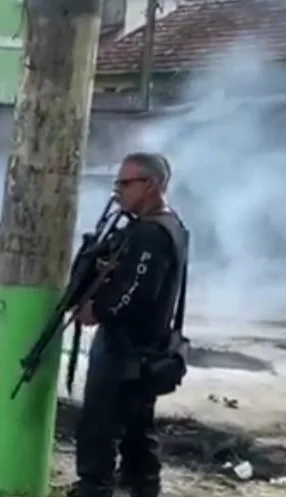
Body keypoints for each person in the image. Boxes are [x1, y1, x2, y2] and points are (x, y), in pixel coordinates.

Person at [70, 153, 189, 497]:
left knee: (99, 428)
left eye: (124, 183)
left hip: (127, 348)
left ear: (150, 185)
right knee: (137, 431)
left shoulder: (152, 233)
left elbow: (135, 292)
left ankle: (94, 489)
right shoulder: (168, 226)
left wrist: (96, 310)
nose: (117, 191)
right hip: (145, 347)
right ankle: (142, 488)